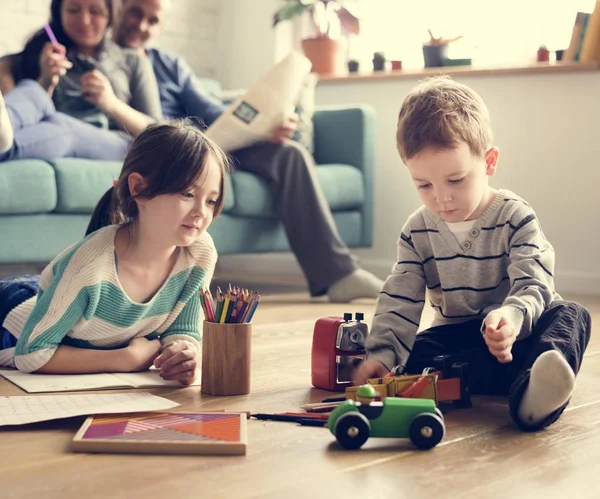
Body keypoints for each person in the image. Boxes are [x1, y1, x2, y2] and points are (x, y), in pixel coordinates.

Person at [353, 76, 591, 431]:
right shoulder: (418, 230)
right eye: (423, 185)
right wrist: (382, 356)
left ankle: (534, 394)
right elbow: (400, 297)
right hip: (462, 341)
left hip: (520, 335)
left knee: (571, 315)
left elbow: (534, 284)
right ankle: (483, 382)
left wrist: (510, 318)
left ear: (489, 162)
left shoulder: (515, 216)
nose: (441, 198)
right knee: (416, 351)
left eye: (455, 180)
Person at [109, 0, 384, 303]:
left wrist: (264, 126)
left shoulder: (169, 65)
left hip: (211, 147)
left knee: (288, 153)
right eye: (136, 13)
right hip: (170, 155)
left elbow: (215, 112)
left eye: (153, 20)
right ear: (119, 9)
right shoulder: (104, 60)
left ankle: (339, 275)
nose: (142, 25)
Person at [0, 120, 229, 386]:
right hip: (12, 315)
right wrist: (124, 359)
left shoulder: (199, 253)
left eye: (211, 200)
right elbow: (31, 354)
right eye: (188, 193)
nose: (202, 212)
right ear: (139, 189)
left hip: (63, 303)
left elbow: (182, 329)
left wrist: (182, 354)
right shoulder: (89, 266)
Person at [0, 0, 162, 162]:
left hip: (116, 143)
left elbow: (159, 133)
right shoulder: (45, 54)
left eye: (95, 11)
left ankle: (7, 150)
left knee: (61, 124)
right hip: (50, 132)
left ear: (110, 15)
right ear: (59, 13)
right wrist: (46, 80)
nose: (84, 20)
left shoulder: (133, 61)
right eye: (73, 10)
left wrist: (112, 104)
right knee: (32, 90)